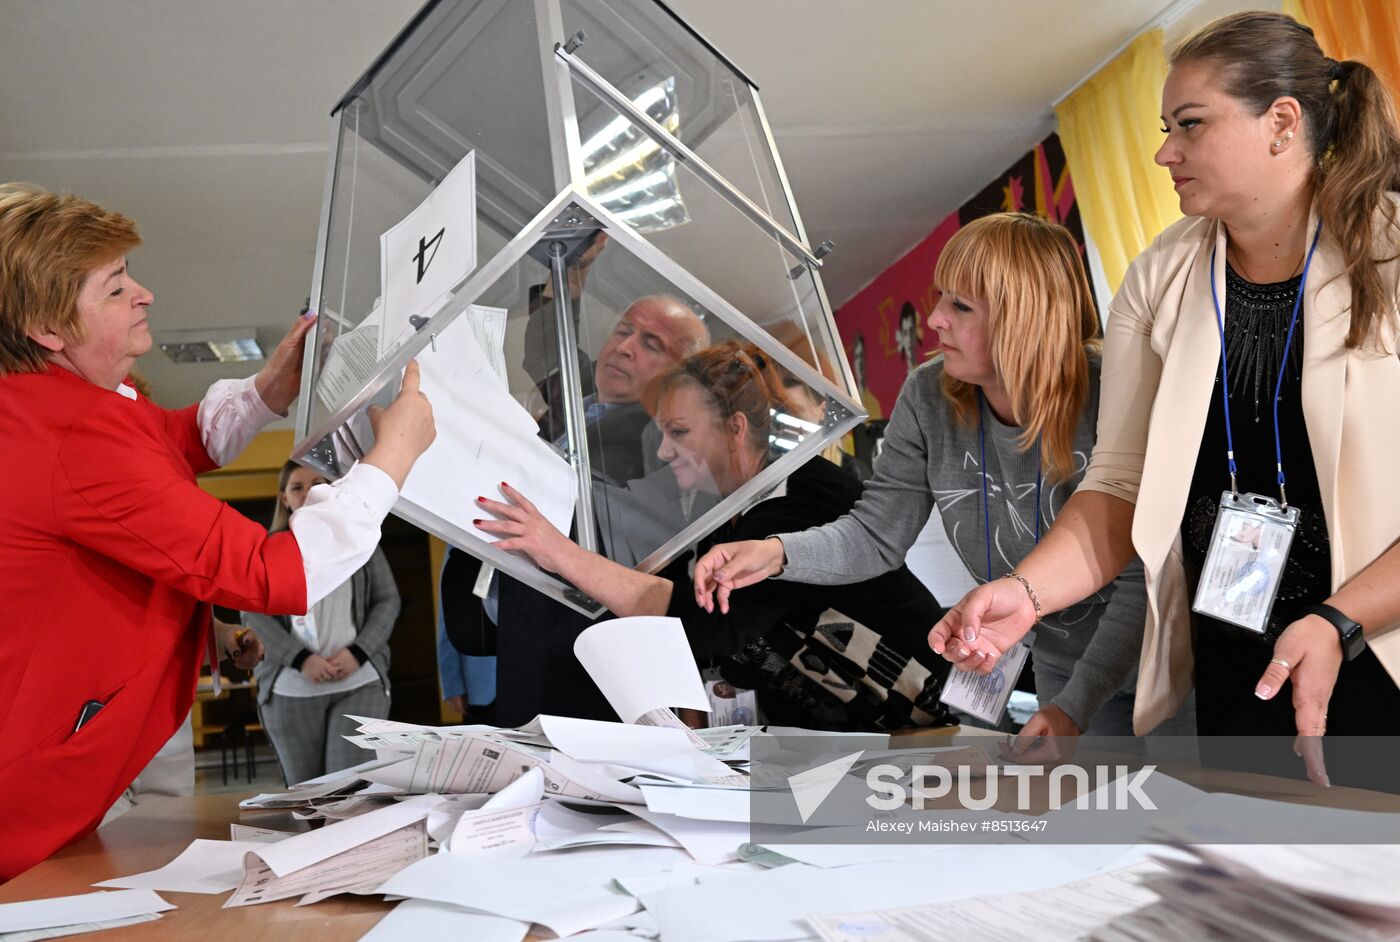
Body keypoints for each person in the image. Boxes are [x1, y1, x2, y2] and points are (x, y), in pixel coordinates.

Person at [926, 13, 1400, 785]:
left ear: (1282, 122)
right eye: (1163, 128)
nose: (1163, 152)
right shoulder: (1161, 279)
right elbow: (1118, 485)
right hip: (1239, 648)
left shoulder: (1390, 252)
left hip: (1378, 643)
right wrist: (1024, 594)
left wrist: (1340, 618)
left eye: (1190, 125)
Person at [0, 183, 435, 878]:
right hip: (38, 785)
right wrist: (393, 459)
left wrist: (265, 393)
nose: (142, 293)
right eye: (114, 289)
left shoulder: (73, 398)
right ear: (48, 329)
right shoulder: (72, 435)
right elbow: (276, 574)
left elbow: (163, 445)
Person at [695, 214, 1170, 753]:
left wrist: (1075, 705)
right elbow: (876, 534)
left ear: (1025, 317)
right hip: (1060, 670)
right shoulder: (928, 396)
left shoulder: (1115, 389)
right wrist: (775, 554)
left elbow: (1145, 578)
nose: (935, 319)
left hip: (1163, 669)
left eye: (961, 306)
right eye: (941, 297)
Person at [477, 340, 952, 731]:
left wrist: (558, 551)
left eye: (679, 432)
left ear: (735, 428)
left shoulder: (801, 496)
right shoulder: (726, 514)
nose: (663, 451)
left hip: (920, 719)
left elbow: (714, 628)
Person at [441, 273, 709, 726]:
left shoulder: (658, 443)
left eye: (652, 344)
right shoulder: (577, 407)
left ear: (678, 378)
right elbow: (547, 351)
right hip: (523, 638)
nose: (625, 346)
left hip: (585, 656)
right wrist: (567, 278)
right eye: (623, 330)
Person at [241, 462, 400, 786]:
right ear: (284, 499)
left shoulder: (361, 541)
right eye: (297, 487)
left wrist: (359, 651)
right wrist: (301, 659)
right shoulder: (266, 549)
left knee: (350, 790)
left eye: (318, 483)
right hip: (292, 687)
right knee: (308, 794)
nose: (308, 492)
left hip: (359, 680)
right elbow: (253, 613)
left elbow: (387, 600)